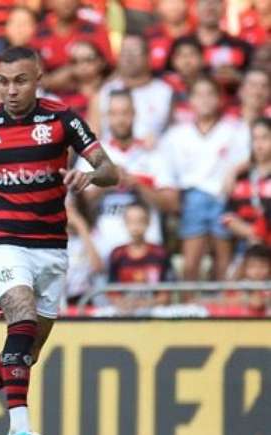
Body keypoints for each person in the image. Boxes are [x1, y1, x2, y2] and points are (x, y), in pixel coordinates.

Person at [0, 47, 118, 435]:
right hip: (4, 240)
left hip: (51, 246)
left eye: (20, 81)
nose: (11, 90)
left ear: (38, 78)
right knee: (21, 317)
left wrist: (90, 175)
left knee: (25, 352)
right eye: (3, 81)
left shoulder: (62, 118)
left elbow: (110, 169)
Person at [155, 75, 250, 281]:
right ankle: (192, 307)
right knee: (191, 261)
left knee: (222, 257)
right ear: (190, 101)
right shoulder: (176, 134)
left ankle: (223, 307)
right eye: (199, 95)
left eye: (210, 94)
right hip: (191, 198)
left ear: (219, 99)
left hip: (222, 197)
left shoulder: (234, 128)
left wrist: (233, 172)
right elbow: (166, 172)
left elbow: (247, 156)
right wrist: (173, 194)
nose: (205, 100)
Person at [76, 89, 178, 262]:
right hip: (104, 250)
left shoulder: (153, 153)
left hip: (148, 253)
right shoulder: (94, 154)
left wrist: (137, 184)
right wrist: (109, 183)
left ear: (134, 114)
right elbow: (80, 204)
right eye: (114, 113)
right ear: (107, 117)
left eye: (125, 113)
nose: (120, 120)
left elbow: (172, 204)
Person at [91, 34, 174, 144]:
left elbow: (174, 134)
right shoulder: (103, 93)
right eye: (124, 52)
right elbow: (93, 138)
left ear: (148, 57)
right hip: (112, 157)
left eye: (134, 52)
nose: (129, 57)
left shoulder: (165, 92)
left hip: (154, 156)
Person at [30, 0, 113, 91]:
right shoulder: (38, 32)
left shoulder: (95, 30)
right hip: (49, 96)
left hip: (91, 95)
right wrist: (52, 82)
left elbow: (111, 69)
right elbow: (35, 77)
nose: (67, 2)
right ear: (50, 2)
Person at [107, 202, 172, 311]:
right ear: (125, 222)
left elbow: (166, 292)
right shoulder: (117, 254)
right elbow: (111, 291)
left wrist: (148, 304)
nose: (135, 226)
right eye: (131, 221)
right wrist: (123, 305)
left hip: (154, 310)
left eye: (140, 221)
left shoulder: (160, 253)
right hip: (124, 312)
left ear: (148, 222)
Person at [223, 117, 271, 248]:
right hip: (248, 245)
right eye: (255, 139)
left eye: (265, 138)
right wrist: (253, 233)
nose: (259, 144)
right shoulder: (241, 175)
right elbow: (228, 216)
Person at [194, 0, 253, 93]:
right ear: (195, 8)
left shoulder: (240, 46)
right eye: (204, 2)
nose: (210, 7)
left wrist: (238, 77)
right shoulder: (183, 44)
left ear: (224, 8)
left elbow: (254, 79)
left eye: (215, 2)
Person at [163, 36, 205, 125]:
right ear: (173, 60)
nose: (186, 61)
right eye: (181, 55)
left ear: (202, 59)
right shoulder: (163, 85)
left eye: (192, 55)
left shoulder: (211, 86)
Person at [145, 0, 194, 74]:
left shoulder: (195, 34)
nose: (174, 7)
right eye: (169, 2)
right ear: (158, 7)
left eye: (178, 1)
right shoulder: (150, 35)